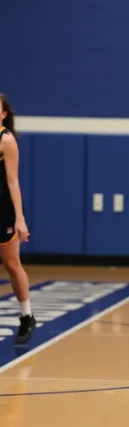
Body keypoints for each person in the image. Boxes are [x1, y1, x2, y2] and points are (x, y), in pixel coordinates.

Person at [0, 94, 36, 345]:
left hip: (3, 210)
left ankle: (26, 315)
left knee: (12, 264)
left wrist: (20, 219)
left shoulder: (6, 140)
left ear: (3, 114)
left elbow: (13, 181)